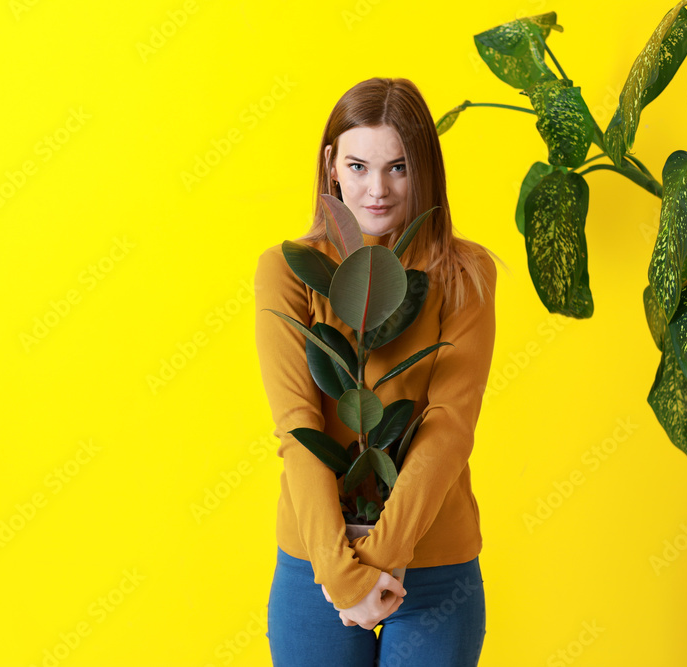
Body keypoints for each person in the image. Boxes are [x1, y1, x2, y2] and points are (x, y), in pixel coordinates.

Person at [254, 76, 499, 667]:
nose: (377, 190)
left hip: (435, 566)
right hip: (317, 564)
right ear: (331, 165)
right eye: (359, 166)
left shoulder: (466, 274)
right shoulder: (289, 271)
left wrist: (383, 558)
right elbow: (298, 426)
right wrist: (341, 573)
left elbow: (449, 427)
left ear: (426, 172)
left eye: (398, 168)